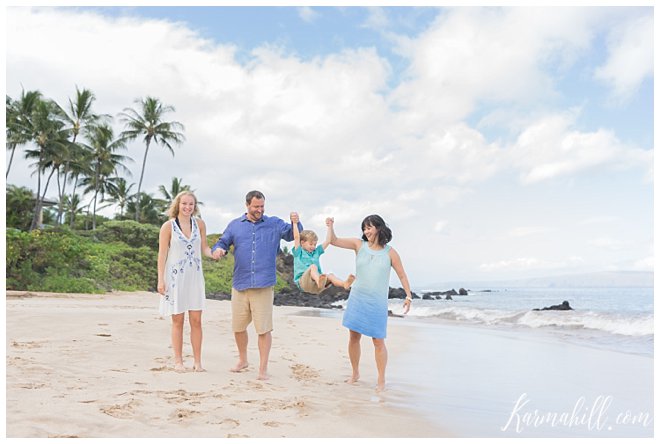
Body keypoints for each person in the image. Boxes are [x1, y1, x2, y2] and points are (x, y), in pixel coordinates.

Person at [211, 190, 302, 380]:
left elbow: (294, 235)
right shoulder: (235, 225)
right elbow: (223, 242)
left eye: (262, 206)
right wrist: (218, 250)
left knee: (263, 329)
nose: (259, 210)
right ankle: (243, 360)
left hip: (263, 285)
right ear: (247, 205)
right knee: (238, 327)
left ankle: (262, 369)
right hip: (241, 283)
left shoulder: (274, 224)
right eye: (256, 207)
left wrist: (295, 222)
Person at [326, 215, 412, 392]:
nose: (366, 231)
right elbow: (334, 240)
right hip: (358, 297)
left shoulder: (390, 252)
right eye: (364, 228)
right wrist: (330, 226)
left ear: (379, 228)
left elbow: (402, 275)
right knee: (353, 337)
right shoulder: (359, 245)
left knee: (378, 341)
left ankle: (381, 381)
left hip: (377, 302)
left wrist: (408, 296)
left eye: (369, 227)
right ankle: (355, 373)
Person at [157, 191, 213, 372]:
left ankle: (197, 362)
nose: (188, 207)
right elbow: (162, 254)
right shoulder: (168, 226)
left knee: (196, 320)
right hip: (175, 278)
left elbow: (204, 247)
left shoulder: (200, 225)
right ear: (177, 205)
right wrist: (160, 279)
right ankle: (178, 361)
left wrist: (214, 253)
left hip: (195, 278)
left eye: (191, 204)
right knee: (178, 320)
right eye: (184, 204)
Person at [290, 213, 355, 294]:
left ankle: (344, 284)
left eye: (315, 244)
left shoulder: (316, 252)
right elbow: (296, 237)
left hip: (316, 287)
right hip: (304, 283)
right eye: (311, 244)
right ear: (302, 243)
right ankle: (318, 281)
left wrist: (330, 226)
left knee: (331, 275)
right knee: (313, 267)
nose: (313, 246)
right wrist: (295, 223)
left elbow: (328, 241)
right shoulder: (298, 252)